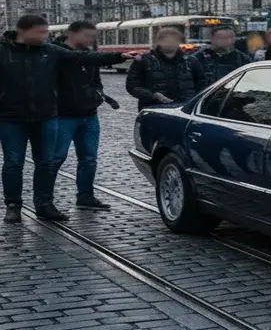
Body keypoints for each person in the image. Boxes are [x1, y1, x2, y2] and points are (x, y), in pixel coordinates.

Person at [2, 15, 133, 223]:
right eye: (40, 32)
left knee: (46, 163)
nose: (45, 36)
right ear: (23, 31)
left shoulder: (50, 51)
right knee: (13, 162)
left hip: (45, 116)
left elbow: (82, 57)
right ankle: (13, 205)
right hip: (11, 118)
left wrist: (118, 56)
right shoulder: (3, 51)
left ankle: (44, 205)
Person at [47, 21, 127, 216]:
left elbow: (96, 80)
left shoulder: (89, 55)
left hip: (89, 114)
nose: (91, 40)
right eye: (88, 36)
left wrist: (97, 95)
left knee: (89, 159)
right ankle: (45, 201)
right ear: (73, 34)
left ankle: (85, 196)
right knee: (56, 158)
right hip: (63, 115)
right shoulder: (56, 53)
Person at [126, 26, 208, 112]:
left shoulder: (191, 61)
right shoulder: (144, 61)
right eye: (166, 40)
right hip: (154, 109)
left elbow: (202, 83)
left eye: (174, 39)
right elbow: (132, 86)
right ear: (159, 41)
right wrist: (152, 96)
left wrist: (193, 99)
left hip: (184, 108)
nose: (170, 43)